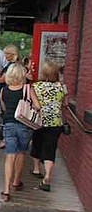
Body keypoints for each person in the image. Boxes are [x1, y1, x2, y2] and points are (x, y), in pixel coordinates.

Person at [0, 64, 39, 202]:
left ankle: (6, 190)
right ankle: (16, 181)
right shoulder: (28, 89)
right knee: (21, 152)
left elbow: (4, 108)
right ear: (22, 75)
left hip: (9, 124)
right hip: (24, 125)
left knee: (10, 156)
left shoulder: (3, 91)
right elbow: (38, 106)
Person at [31, 60, 68, 192]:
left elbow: (35, 105)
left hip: (40, 121)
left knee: (37, 143)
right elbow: (65, 104)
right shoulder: (62, 87)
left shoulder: (36, 86)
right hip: (56, 122)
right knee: (50, 149)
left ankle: (36, 169)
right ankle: (47, 175)